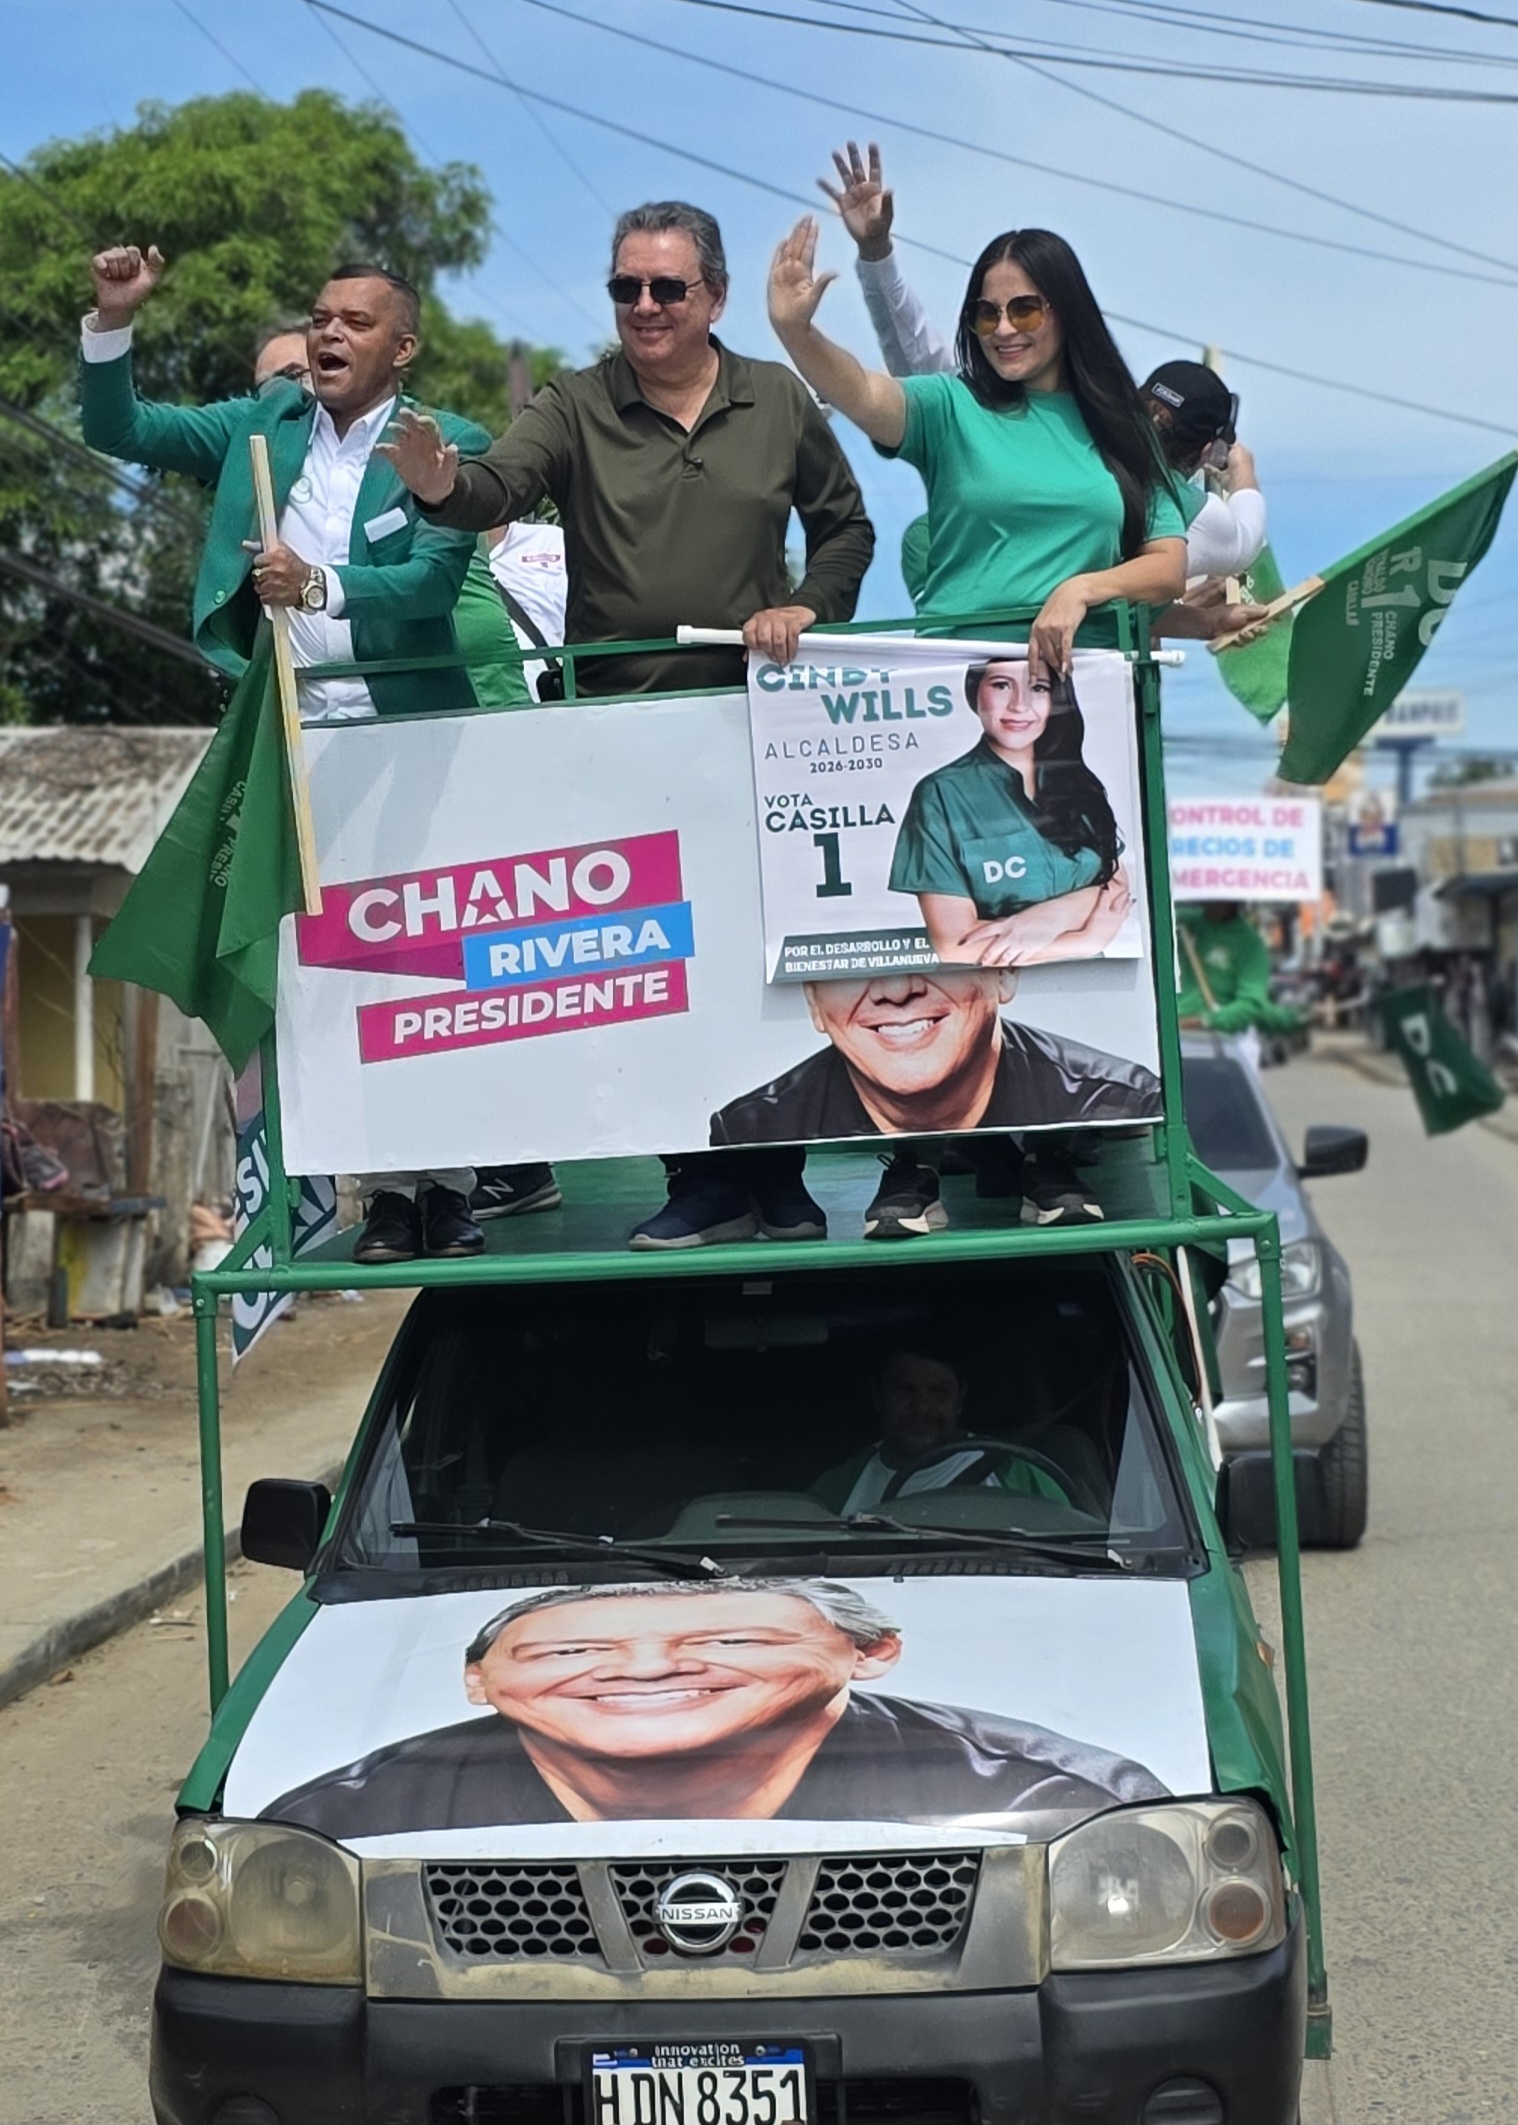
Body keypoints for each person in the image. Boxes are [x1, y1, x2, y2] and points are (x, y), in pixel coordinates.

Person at [379, 200, 876, 1251]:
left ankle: (775, 1178)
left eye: (665, 288)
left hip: (757, 727)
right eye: (625, 288)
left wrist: (809, 607)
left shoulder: (778, 400)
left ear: (715, 298)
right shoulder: (574, 402)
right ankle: (695, 1178)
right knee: (663, 967)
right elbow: (497, 483)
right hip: (620, 735)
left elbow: (847, 529)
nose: (643, 307)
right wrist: (439, 485)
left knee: (765, 962)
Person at [79, 244, 494, 1264]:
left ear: (404, 346)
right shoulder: (259, 423)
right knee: (335, 973)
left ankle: (454, 1189)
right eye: (319, 317)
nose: (328, 334)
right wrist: (115, 320)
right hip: (293, 736)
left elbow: (435, 586)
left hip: (409, 732)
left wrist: (319, 586)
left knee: (428, 965)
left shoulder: (444, 441)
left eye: (354, 322)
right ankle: (385, 1196)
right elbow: (119, 428)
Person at [263, 1578, 1165, 1833]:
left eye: (735, 1637)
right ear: (479, 1677)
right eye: (570, 1648)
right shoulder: (338, 1822)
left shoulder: (1061, 1805)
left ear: (871, 1649)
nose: (651, 1668)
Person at [817, 143, 1269, 638]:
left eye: (1025, 311)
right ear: (1208, 451)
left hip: (1086, 688)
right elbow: (1242, 542)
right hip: (965, 674)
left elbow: (1141, 584)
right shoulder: (967, 408)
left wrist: (1193, 620)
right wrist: (1243, 471)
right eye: (988, 315)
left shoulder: (1124, 441)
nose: (1005, 329)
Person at [711, 966, 1159, 1156]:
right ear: (813, 1000)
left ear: (1004, 973)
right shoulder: (752, 1135)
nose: (897, 988)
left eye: (928, 945)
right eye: (850, 959)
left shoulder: (1122, 1107)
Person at [890, 660, 1131, 967]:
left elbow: (1116, 887)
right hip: (1004, 991)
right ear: (974, 692)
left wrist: (1048, 918)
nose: (1020, 705)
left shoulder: (1078, 781)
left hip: (1104, 984)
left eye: (1038, 687)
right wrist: (1084, 941)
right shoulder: (940, 793)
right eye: (1001, 685)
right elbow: (955, 945)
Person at [811, 1345, 1073, 1513]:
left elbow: (1075, 1548)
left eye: (939, 1392)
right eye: (904, 1391)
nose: (921, 1408)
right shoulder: (837, 1488)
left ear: (960, 1399)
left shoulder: (1017, 1473)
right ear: (877, 1396)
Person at [1176, 901, 1305, 1059]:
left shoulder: (1250, 944)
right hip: (1167, 1038)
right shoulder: (1182, 921)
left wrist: (1203, 1022)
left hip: (1219, 1045)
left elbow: (1250, 1004)